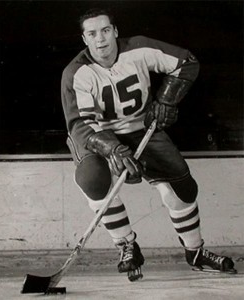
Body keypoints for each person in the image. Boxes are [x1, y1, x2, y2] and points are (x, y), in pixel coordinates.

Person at [61, 8, 236, 280]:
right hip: (98, 137)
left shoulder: (139, 48)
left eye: (105, 30)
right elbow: (80, 125)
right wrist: (112, 149)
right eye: (92, 33)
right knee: (92, 178)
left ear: (115, 31)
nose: (100, 39)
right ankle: (127, 245)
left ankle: (196, 252)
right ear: (84, 39)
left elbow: (186, 62)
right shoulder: (76, 73)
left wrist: (166, 99)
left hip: (140, 127)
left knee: (183, 188)